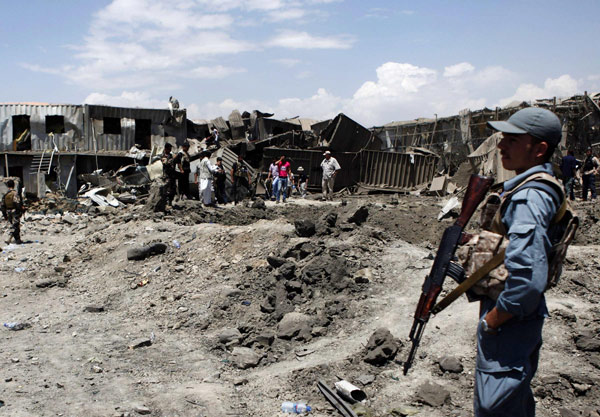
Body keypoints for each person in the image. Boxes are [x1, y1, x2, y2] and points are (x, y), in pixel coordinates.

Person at [475, 107, 564, 417]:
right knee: (513, 401)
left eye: (512, 140)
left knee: (495, 407)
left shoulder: (530, 197)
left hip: (511, 318)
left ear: (539, 149)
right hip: (519, 315)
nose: (501, 146)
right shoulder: (532, 187)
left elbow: (527, 279)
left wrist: (493, 320)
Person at [1, 179, 23, 244]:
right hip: (14, 211)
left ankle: (17, 240)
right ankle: (9, 238)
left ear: (7, 185)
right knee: (15, 225)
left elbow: (2, 205)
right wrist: (20, 211)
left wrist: (4, 214)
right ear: (14, 185)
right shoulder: (15, 193)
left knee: (13, 225)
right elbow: (17, 203)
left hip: (8, 212)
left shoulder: (5, 194)